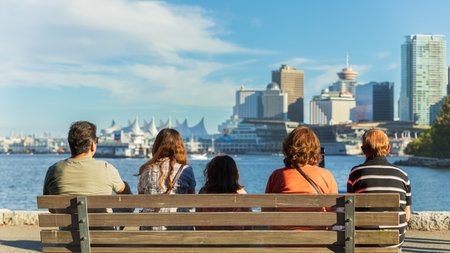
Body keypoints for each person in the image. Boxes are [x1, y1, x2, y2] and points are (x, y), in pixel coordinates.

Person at [347, 129, 411, 248]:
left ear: (363, 150)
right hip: (394, 242)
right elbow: (407, 216)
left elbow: (349, 208)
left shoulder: (356, 173)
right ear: (388, 148)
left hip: (364, 241)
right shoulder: (402, 175)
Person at [265, 126, 338, 230]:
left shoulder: (277, 176)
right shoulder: (326, 175)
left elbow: (266, 212)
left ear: (287, 148)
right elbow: (333, 212)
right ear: (315, 149)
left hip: (281, 241)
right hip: (318, 242)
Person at [43, 121, 131, 199]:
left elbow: (50, 206)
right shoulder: (107, 168)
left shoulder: (53, 170)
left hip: (67, 218)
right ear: (93, 145)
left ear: (70, 144)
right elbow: (126, 194)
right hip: (100, 218)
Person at [137, 128, 196, 230]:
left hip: (151, 232)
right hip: (180, 231)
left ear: (157, 146)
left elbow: (142, 199)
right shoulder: (186, 170)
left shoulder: (146, 170)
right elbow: (191, 204)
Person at [197, 155, 250, 230]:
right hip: (236, 239)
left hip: (208, 238)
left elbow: (198, 221)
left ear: (211, 173)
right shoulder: (240, 193)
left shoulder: (204, 192)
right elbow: (249, 222)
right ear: (234, 173)